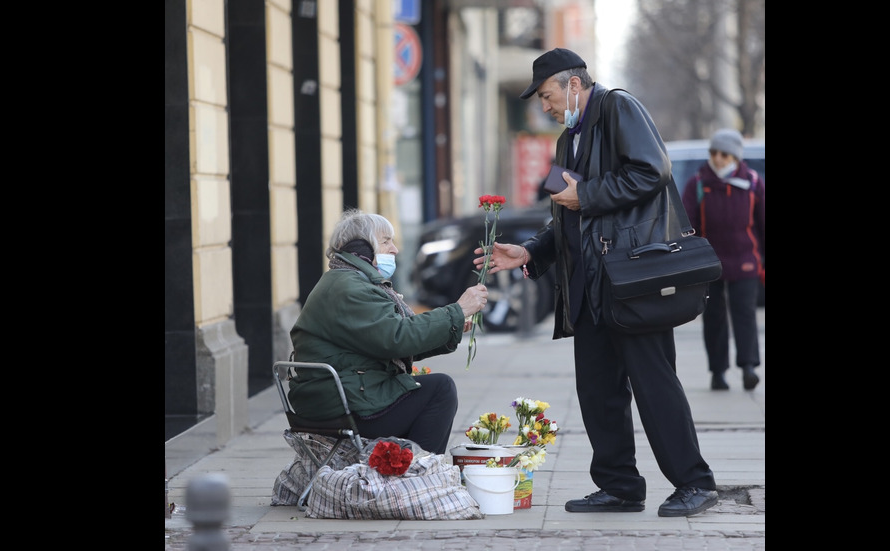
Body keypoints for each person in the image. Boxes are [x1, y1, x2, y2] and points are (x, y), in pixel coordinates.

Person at [474, 48, 718, 517]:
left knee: (654, 385)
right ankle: (619, 486)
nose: (544, 106)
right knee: (599, 392)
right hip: (588, 286)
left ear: (572, 84)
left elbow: (652, 170)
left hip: (631, 280)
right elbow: (566, 216)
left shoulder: (618, 108)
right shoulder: (570, 138)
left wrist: (586, 193)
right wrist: (530, 252)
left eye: (546, 95)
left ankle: (695, 482)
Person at [289, 208, 488, 455]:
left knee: (426, 389)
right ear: (361, 248)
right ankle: (419, 475)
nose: (394, 249)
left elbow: (390, 339)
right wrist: (456, 310)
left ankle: (401, 469)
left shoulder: (348, 281)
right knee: (440, 389)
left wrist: (451, 325)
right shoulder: (350, 288)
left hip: (339, 396)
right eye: (386, 241)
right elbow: (397, 338)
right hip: (342, 404)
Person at [681, 129, 765, 391]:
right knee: (714, 319)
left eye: (725, 154)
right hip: (710, 263)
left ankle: (748, 367)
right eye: (714, 153)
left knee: (745, 315)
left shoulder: (752, 183)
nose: (718, 159)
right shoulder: (697, 183)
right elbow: (688, 226)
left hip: (745, 261)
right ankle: (718, 372)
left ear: (736, 157)